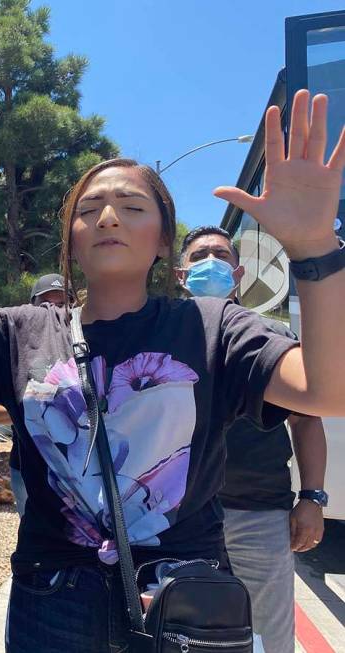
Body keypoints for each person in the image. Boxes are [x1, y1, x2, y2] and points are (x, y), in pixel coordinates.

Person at [0, 90, 345, 652]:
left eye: (132, 206)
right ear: (70, 239)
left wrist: (316, 248)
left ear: (164, 241)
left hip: (184, 594)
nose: (108, 218)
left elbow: (328, 391)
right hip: (53, 596)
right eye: (89, 209)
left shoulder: (216, 326)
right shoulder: (23, 329)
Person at [177, 225, 327, 653]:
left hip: (259, 513)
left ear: (239, 273)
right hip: (176, 515)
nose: (212, 263)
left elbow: (306, 420)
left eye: (222, 256)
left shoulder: (273, 338)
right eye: (201, 255)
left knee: (268, 635)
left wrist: (312, 498)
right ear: (179, 274)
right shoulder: (161, 335)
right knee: (176, 628)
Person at [0, 273, 73, 517]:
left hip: (79, 471)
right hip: (28, 469)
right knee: (34, 539)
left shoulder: (85, 348)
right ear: (31, 307)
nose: (53, 310)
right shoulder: (14, 354)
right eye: (46, 304)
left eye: (61, 303)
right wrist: (46, 401)